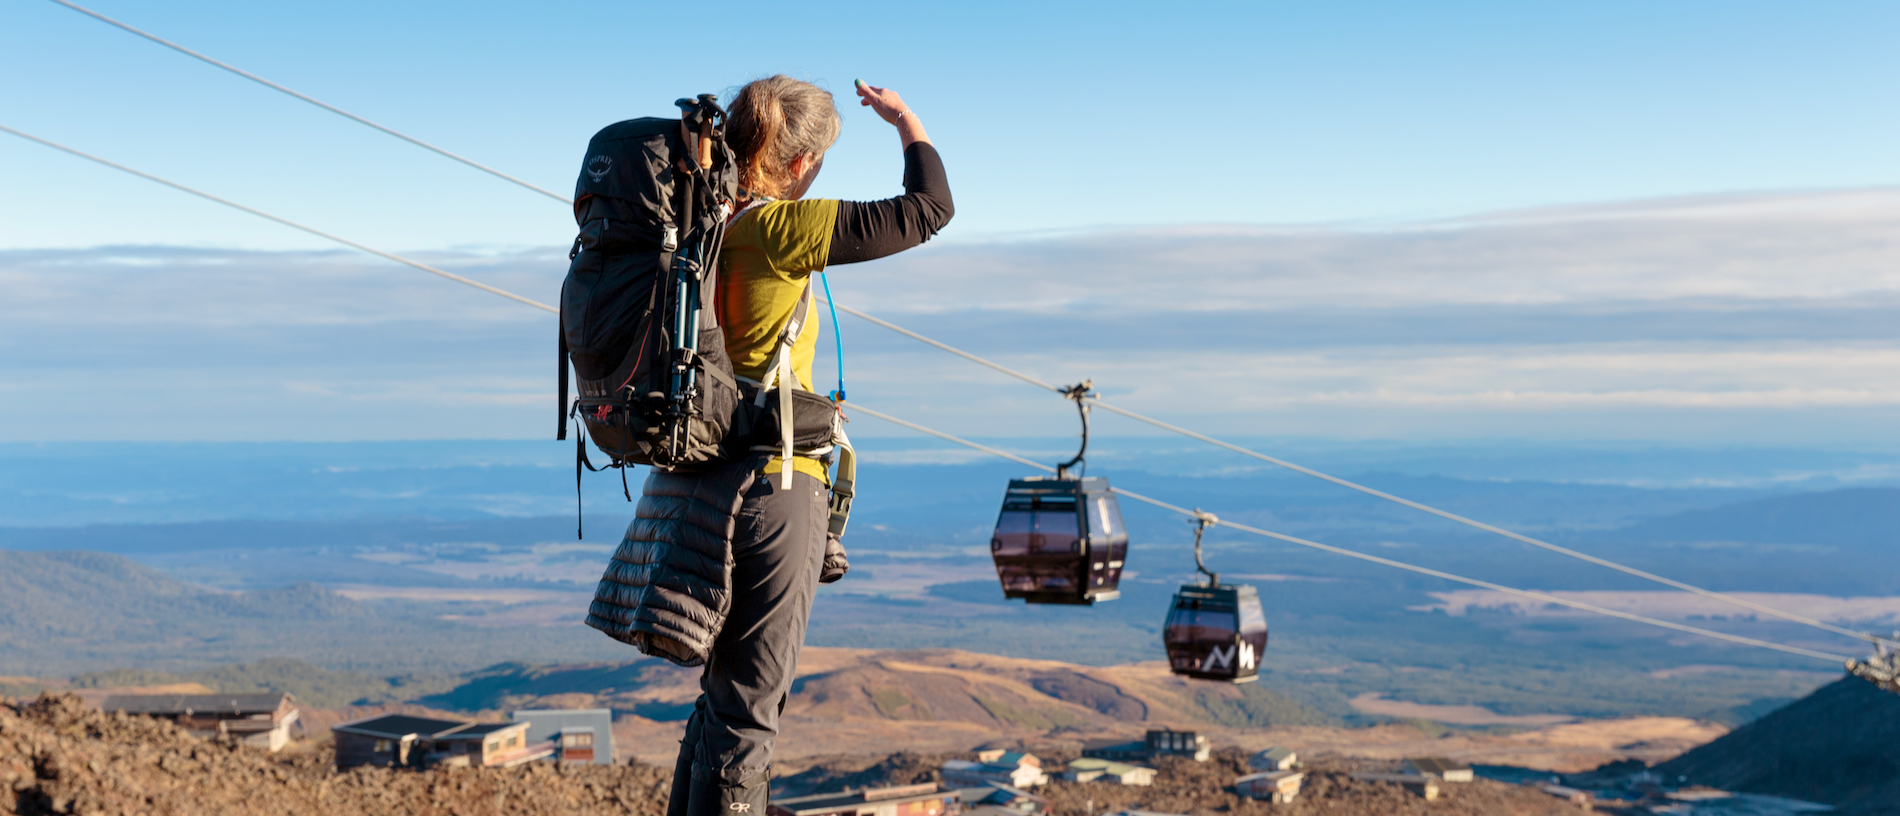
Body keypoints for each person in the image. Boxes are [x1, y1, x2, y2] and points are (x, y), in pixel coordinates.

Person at [666, 74, 953, 816]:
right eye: (818, 160)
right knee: (752, 705)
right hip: (777, 484)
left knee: (720, 698)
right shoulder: (778, 229)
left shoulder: (704, 225)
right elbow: (929, 211)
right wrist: (907, 123)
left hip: (706, 477)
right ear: (799, 166)